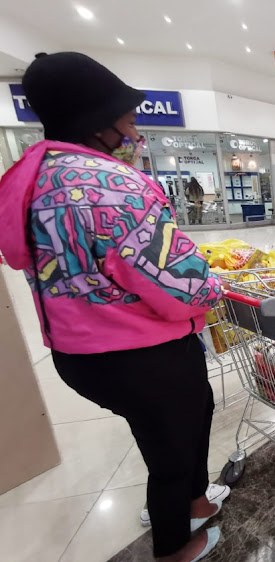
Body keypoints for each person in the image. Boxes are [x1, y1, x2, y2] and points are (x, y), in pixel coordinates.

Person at [0, 52, 225, 562]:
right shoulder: (114, 185)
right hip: (144, 352)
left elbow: (20, 254)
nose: (134, 127)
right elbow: (178, 281)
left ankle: (196, 500)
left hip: (76, 352)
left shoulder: (31, 178)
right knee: (168, 449)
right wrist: (213, 287)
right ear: (94, 119)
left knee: (192, 413)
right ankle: (175, 546)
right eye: (126, 117)